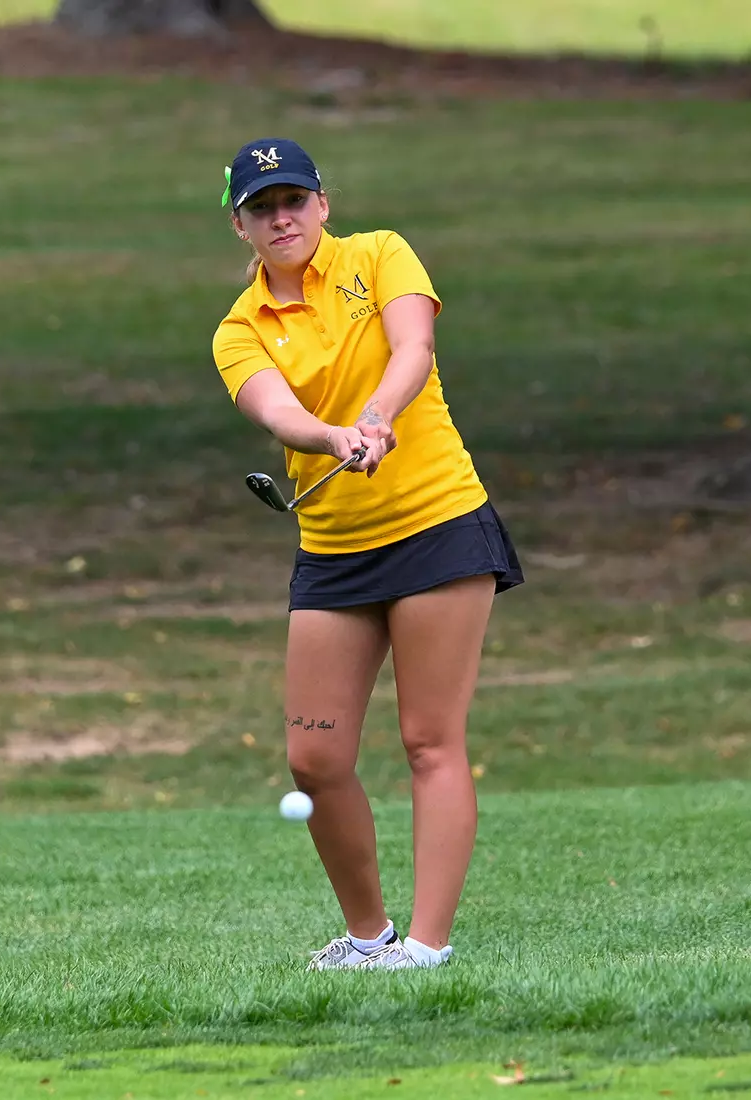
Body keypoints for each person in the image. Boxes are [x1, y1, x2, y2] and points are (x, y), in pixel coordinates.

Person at [212, 137, 524, 971]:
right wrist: (330, 436)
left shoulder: (380, 254)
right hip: (335, 551)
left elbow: (413, 348)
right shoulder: (239, 330)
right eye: (261, 208)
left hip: (435, 523)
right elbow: (277, 413)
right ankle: (367, 937)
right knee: (314, 759)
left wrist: (378, 416)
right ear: (239, 225)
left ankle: (425, 948)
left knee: (429, 740)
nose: (281, 218)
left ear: (322, 203)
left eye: (294, 200)